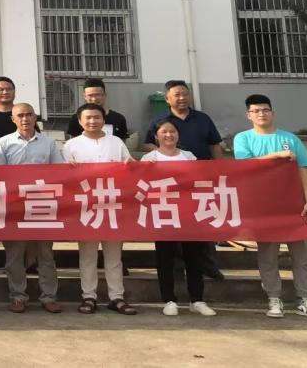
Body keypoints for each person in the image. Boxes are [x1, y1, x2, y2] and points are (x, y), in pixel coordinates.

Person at [233, 93, 307, 321]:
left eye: (265, 110)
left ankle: (304, 299)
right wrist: (277, 155)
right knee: (268, 256)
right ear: (248, 115)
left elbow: (303, 169)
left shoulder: (290, 138)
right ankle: (274, 298)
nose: (261, 114)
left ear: (273, 112)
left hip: (294, 205)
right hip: (264, 206)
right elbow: (246, 166)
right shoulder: (243, 139)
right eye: (256, 111)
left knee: (302, 256)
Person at [143, 80, 225, 280]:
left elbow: (214, 145)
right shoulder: (160, 120)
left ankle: (209, 267)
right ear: (167, 99)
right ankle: (177, 270)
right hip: (169, 187)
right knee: (173, 228)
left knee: (203, 224)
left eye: (185, 94)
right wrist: (166, 155)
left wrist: (220, 170)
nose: (182, 98)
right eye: (177, 95)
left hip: (199, 182)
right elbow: (148, 144)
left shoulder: (203, 118)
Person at [64, 102, 137, 316]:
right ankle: (89, 296)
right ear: (80, 121)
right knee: (87, 255)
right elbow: (64, 177)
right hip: (86, 207)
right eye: (88, 118)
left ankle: (117, 297)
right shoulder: (71, 145)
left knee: (114, 256)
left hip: (112, 206)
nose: (93, 121)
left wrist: (133, 165)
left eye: (97, 117)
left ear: (104, 119)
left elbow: (130, 166)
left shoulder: (116, 142)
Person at [0, 101, 63, 314]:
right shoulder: (4, 142)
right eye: (20, 115)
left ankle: (49, 297)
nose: (25, 119)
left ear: (35, 117)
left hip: (42, 205)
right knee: (15, 254)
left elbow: (60, 172)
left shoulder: (48, 143)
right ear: (13, 119)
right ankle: (18, 296)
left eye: (29, 114)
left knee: (45, 254)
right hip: (14, 206)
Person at [141, 120, 214, 317]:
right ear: (156, 136)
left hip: (188, 213)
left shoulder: (188, 156)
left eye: (172, 131)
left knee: (194, 258)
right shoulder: (149, 158)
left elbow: (198, 181)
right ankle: (169, 300)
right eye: (164, 132)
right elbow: (141, 184)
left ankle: (197, 299)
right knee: (165, 258)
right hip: (163, 214)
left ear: (178, 134)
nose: (168, 135)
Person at [64, 78, 131, 142]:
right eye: (90, 95)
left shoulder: (118, 118)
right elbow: (73, 144)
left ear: (104, 95)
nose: (94, 99)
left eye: (97, 95)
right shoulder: (76, 118)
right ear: (85, 96)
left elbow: (122, 144)